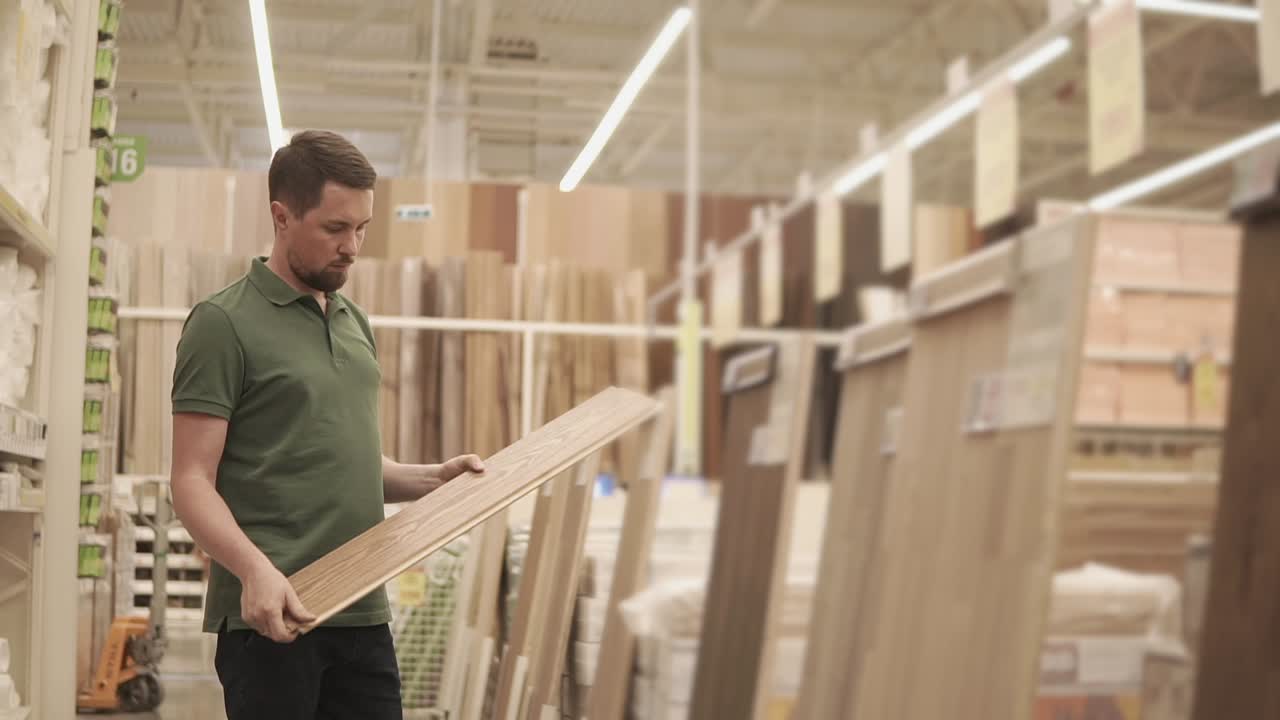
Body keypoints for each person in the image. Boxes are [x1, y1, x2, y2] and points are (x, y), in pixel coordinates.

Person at [169, 129, 484, 720]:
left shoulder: (352, 321)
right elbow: (190, 480)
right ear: (281, 217)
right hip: (273, 619)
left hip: (363, 609)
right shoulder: (222, 324)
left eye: (362, 228)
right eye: (335, 228)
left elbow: (346, 461)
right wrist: (254, 571)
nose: (352, 247)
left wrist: (432, 479)